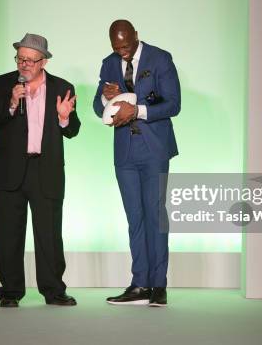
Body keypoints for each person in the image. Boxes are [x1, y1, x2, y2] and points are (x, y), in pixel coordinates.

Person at [0, 33, 80, 308]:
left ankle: (54, 290)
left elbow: (73, 130)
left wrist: (64, 117)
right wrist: (11, 103)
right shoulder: (2, 84)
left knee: (49, 234)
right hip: (7, 171)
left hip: (44, 170)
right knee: (8, 234)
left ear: (43, 61)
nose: (23, 64)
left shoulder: (63, 87)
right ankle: (10, 292)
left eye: (30, 60)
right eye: (20, 58)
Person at [93, 20, 181, 307]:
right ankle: (139, 283)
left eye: (126, 47)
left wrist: (138, 110)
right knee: (135, 220)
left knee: (156, 216)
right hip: (125, 152)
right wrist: (106, 99)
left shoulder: (160, 58)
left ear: (136, 37)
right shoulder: (109, 63)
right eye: (117, 48)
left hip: (154, 148)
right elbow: (97, 106)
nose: (123, 53)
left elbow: (173, 104)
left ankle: (159, 286)